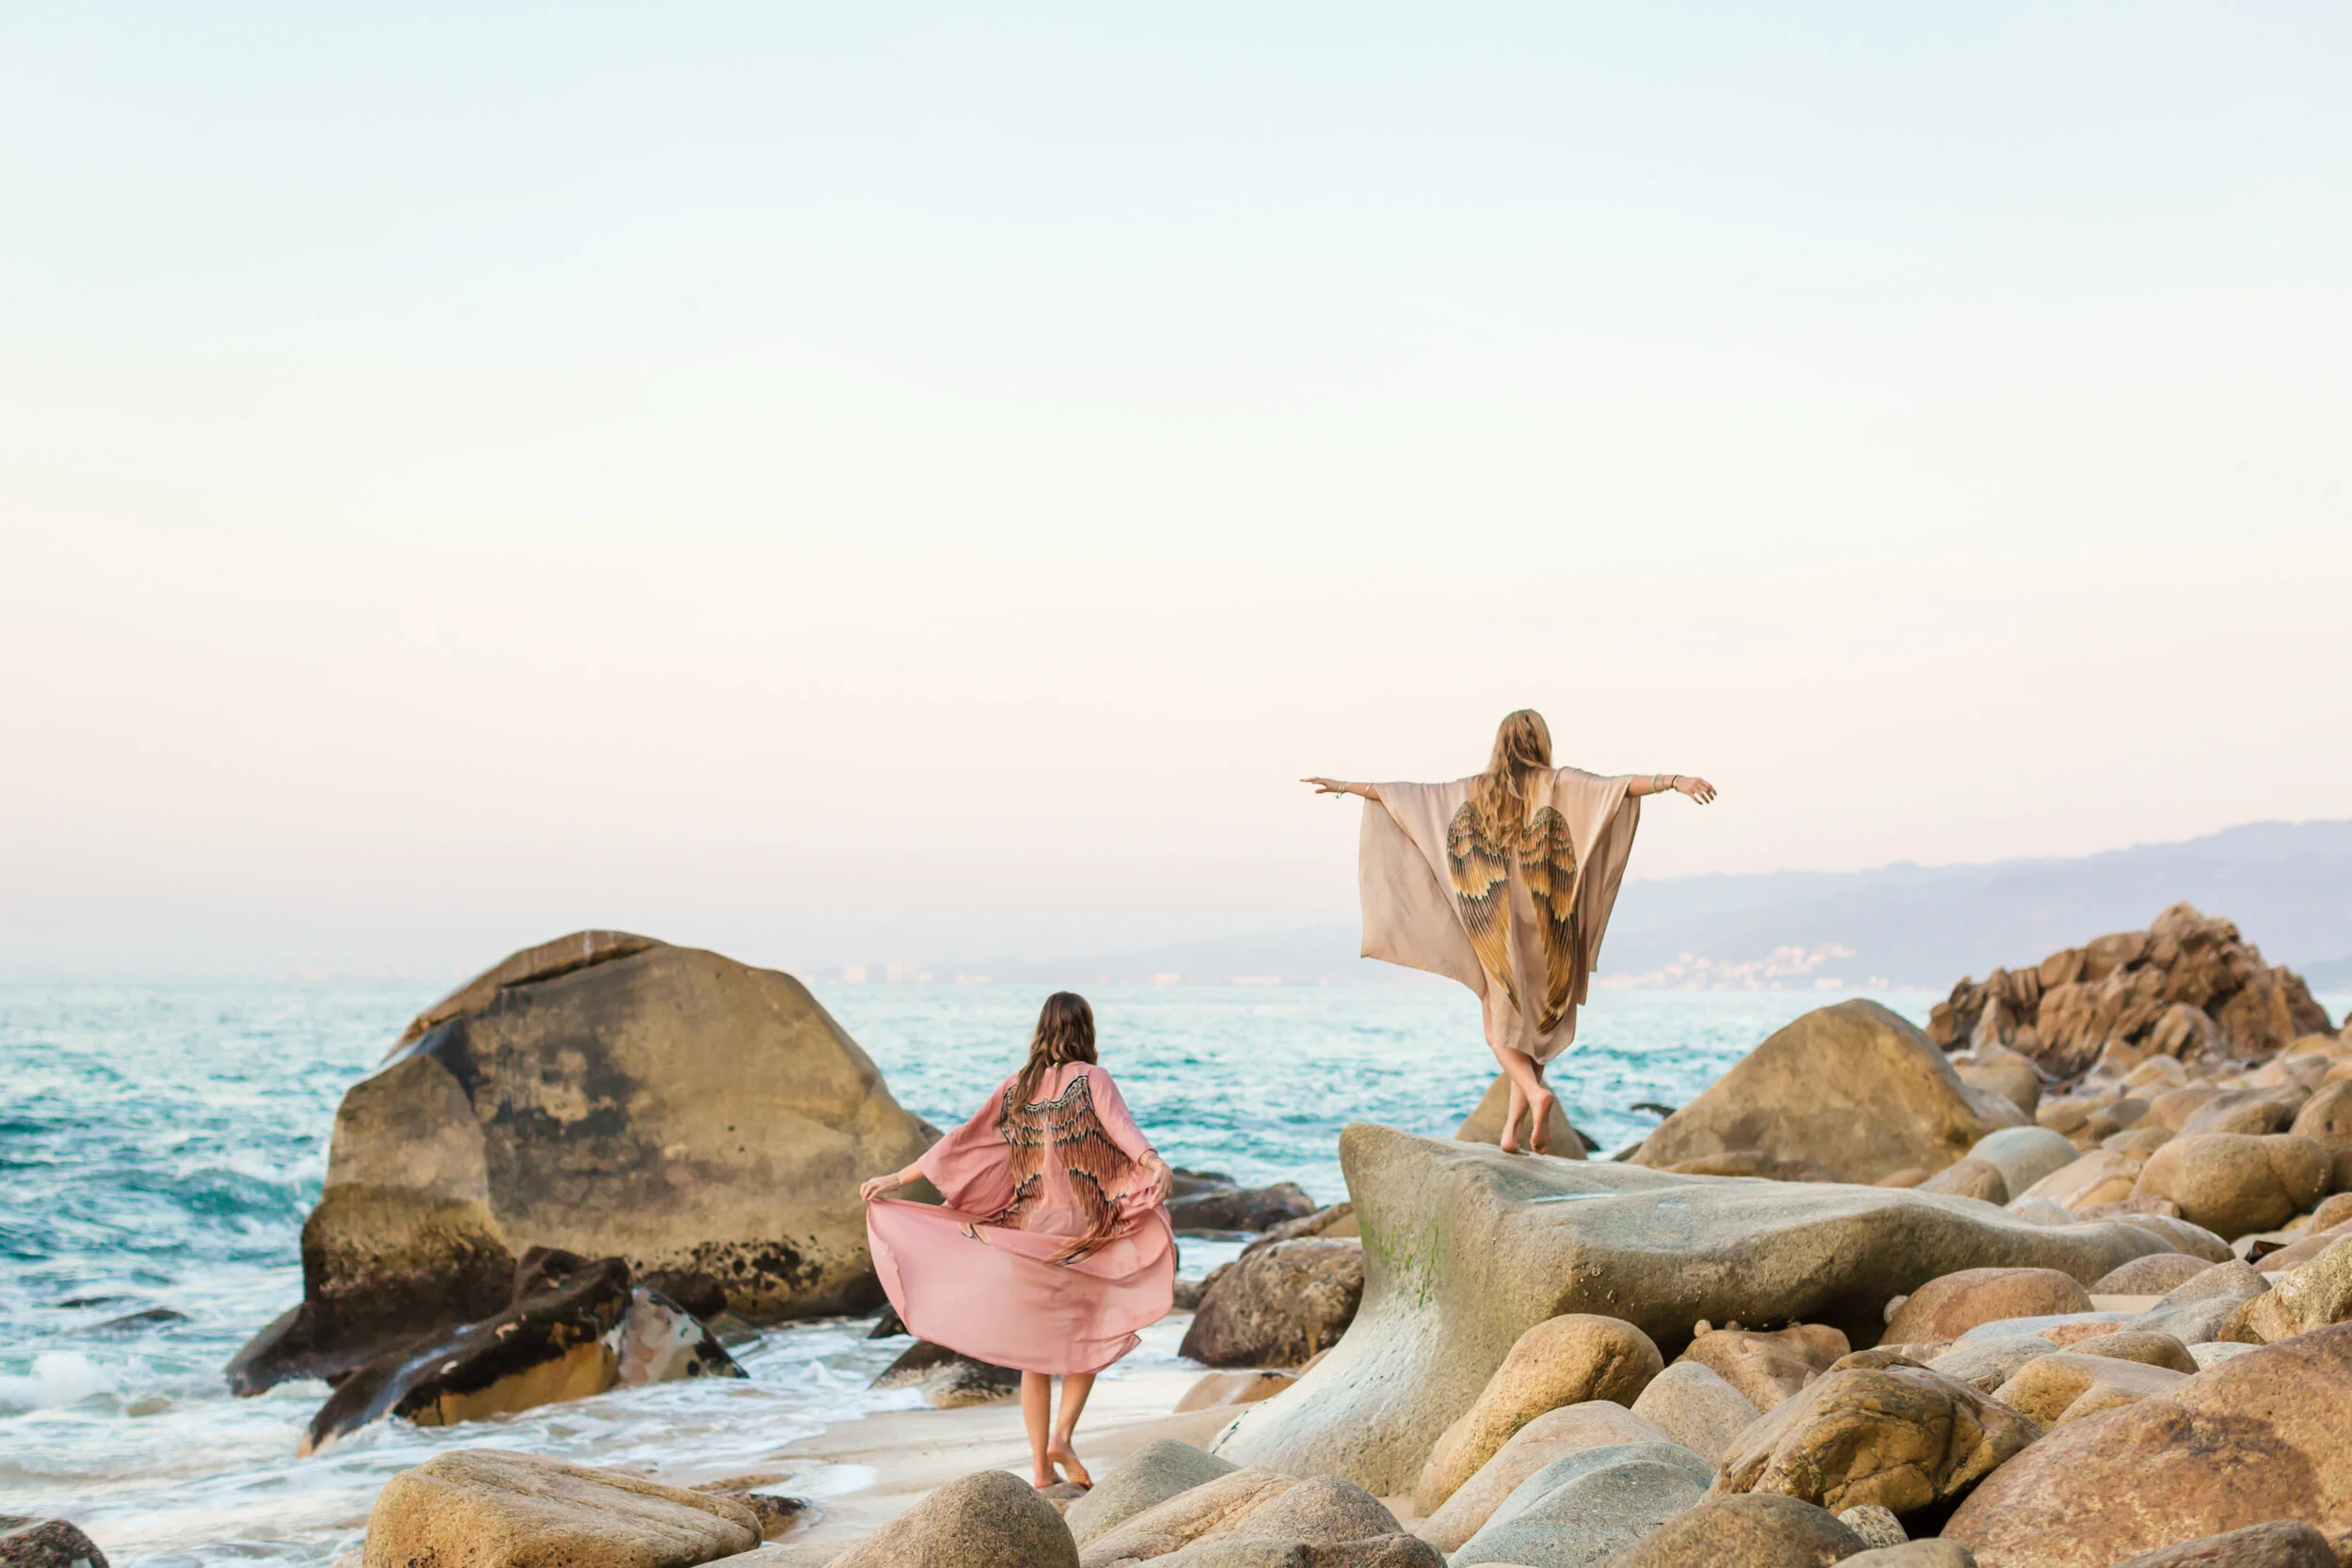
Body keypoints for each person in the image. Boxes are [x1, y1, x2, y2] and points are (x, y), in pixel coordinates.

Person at [1303, 708, 1715, 1155]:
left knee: (1499, 1031)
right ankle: (1510, 1134)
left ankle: (1536, 1097)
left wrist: (1346, 786)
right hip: (1551, 927)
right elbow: (1618, 787)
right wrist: (1676, 781)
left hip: (1498, 932)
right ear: (1541, 740)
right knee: (1532, 1035)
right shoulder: (1560, 784)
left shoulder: (1474, 791)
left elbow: (1410, 797)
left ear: (1500, 744)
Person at [860, 991, 1176, 1490]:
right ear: (1084, 1030)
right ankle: (1063, 1438)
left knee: (1036, 1354)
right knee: (1089, 1337)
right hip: (1086, 1230)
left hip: (1027, 1233)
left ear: (1042, 1029)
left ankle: (1039, 1467)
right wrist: (1154, 1162)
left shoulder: (1016, 1088)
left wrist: (896, 1180)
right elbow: (1122, 1129)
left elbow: (959, 1143)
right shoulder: (1092, 1078)